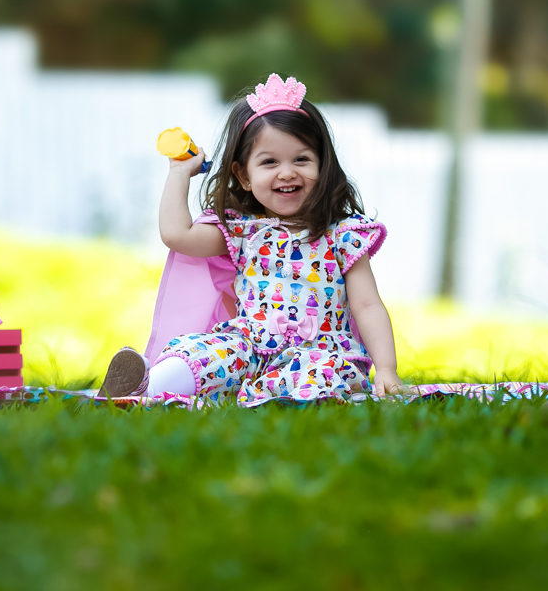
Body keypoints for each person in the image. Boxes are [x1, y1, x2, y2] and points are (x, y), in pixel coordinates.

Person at [99, 73, 410, 404]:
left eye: (301, 159)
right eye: (269, 162)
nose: (287, 172)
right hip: (247, 346)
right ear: (244, 176)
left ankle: (286, 394)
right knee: (208, 355)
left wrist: (386, 369)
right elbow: (177, 235)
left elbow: (367, 305)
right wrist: (179, 173)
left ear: (323, 164)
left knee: (326, 377)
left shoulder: (343, 236)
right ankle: (149, 381)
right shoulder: (243, 232)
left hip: (317, 354)